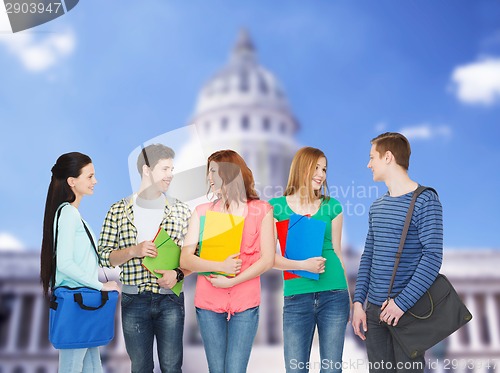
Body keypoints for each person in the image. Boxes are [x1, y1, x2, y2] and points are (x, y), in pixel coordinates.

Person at [352, 132, 443, 373]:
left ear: (388, 157)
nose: (368, 164)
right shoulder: (377, 206)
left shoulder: (426, 200)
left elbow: (432, 257)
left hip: (408, 312)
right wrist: (359, 302)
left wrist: (401, 304)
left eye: (372, 157)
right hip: (373, 313)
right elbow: (368, 256)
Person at [98, 144, 191, 373]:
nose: (170, 175)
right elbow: (104, 257)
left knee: (172, 367)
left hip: (170, 300)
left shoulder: (181, 210)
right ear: (147, 170)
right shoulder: (118, 210)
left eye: (172, 169)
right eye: (165, 169)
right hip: (134, 300)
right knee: (140, 367)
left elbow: (195, 255)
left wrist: (177, 274)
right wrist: (133, 251)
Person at [180, 149, 275, 373]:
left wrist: (233, 280)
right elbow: (185, 258)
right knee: (217, 369)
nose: (209, 177)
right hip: (208, 301)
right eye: (208, 172)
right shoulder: (202, 212)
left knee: (234, 369)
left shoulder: (262, 210)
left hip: (245, 301)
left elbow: (268, 260)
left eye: (213, 171)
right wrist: (219, 267)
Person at [269, 146, 350, 373]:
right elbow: (268, 258)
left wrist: (351, 300)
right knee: (295, 369)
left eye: (324, 169)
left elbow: (338, 252)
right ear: (301, 167)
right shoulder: (276, 207)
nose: (321, 174)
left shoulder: (332, 206)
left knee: (332, 369)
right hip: (296, 296)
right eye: (316, 167)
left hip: (335, 294)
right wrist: (302, 265)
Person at [40, 152, 120, 373]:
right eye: (90, 176)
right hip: (78, 302)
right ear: (72, 181)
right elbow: (65, 264)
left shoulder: (73, 214)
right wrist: (100, 285)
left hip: (82, 303)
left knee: (93, 367)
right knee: (73, 367)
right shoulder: (68, 214)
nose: (95, 181)